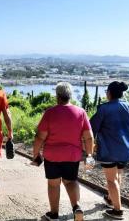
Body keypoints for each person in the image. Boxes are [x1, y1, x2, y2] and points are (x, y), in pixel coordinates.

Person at [33, 82, 94, 221]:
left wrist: (36, 153)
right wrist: (89, 155)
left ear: (57, 96)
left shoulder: (50, 113)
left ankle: (54, 214)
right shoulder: (81, 112)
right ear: (70, 96)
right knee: (71, 181)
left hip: (52, 156)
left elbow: (39, 137)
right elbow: (89, 137)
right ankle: (76, 207)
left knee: (53, 184)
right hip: (72, 156)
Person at [90, 81, 129, 220]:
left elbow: (91, 129)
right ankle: (110, 198)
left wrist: (89, 147)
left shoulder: (103, 109)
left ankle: (118, 210)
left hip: (109, 150)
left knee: (111, 179)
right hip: (127, 150)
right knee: (118, 174)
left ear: (109, 93)